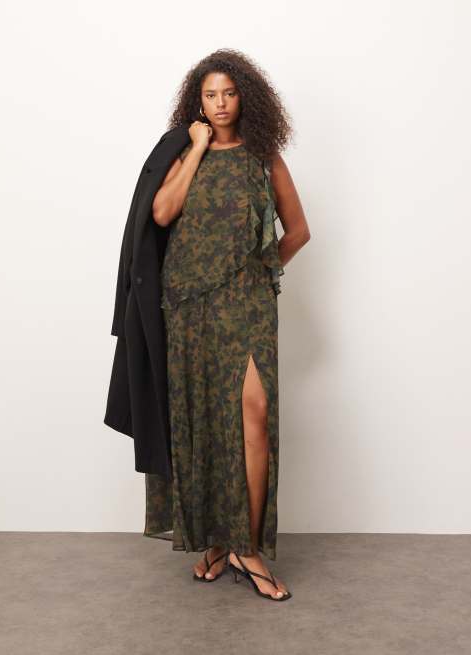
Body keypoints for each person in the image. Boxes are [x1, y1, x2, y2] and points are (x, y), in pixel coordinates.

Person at [143, 48, 310, 602]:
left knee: (254, 415)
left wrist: (260, 272)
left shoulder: (264, 157)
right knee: (205, 420)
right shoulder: (182, 153)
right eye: (210, 95)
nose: (220, 104)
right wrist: (195, 148)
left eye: (229, 93)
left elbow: (298, 230)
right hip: (189, 305)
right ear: (198, 101)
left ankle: (248, 545)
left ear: (246, 98)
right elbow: (162, 213)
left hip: (247, 303)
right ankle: (218, 541)